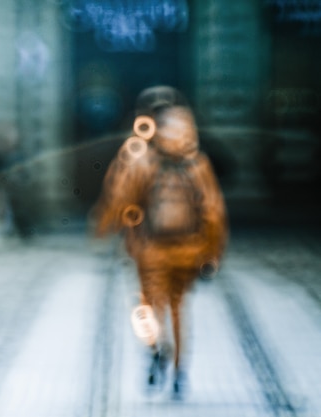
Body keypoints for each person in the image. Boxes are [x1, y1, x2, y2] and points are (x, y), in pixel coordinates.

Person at [91, 91, 228, 397]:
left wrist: (104, 230)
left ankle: (156, 347)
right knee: (180, 308)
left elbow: (119, 198)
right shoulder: (196, 161)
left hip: (151, 248)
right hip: (189, 248)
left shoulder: (140, 156)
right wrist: (212, 252)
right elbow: (213, 210)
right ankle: (180, 372)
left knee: (149, 306)